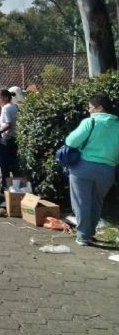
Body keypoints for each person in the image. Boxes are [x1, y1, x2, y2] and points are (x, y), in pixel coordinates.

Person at [65, 93, 119, 246]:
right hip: (107, 170)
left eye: (90, 108)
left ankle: (82, 236)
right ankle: (90, 233)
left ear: (99, 107)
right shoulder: (117, 125)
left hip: (83, 168)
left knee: (81, 202)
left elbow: (71, 141)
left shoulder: (91, 122)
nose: (89, 111)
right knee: (96, 201)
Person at [0, 89, 18, 189]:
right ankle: (19, 188)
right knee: (15, 165)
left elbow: (8, 124)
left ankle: (5, 188)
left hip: (6, 140)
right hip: (15, 138)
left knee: (4, 166)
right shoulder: (15, 106)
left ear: (5, 98)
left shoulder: (6, 108)